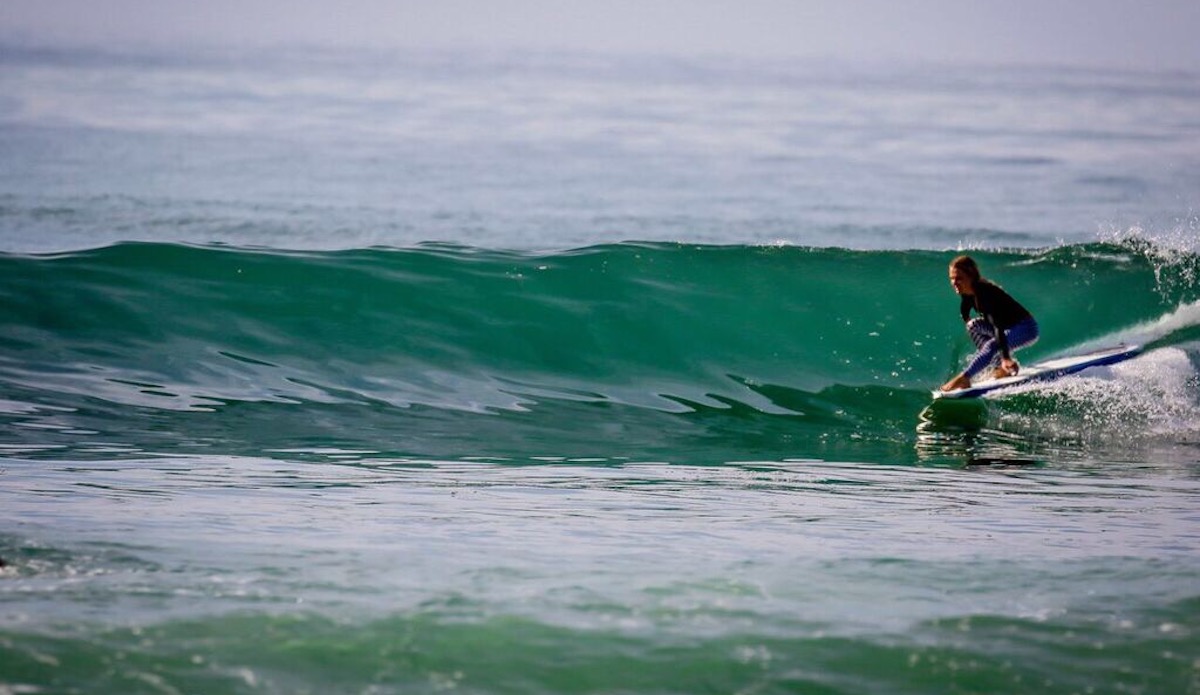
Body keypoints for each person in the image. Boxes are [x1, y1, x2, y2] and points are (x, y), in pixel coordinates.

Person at [940, 255, 1039, 392]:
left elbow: (997, 326)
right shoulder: (968, 294)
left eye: (959, 278)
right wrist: (967, 320)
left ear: (971, 276)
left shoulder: (985, 294)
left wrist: (1006, 357)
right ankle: (999, 367)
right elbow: (965, 310)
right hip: (1006, 329)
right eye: (952, 278)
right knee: (973, 326)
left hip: (1025, 328)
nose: (954, 282)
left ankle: (965, 377)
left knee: (992, 345)